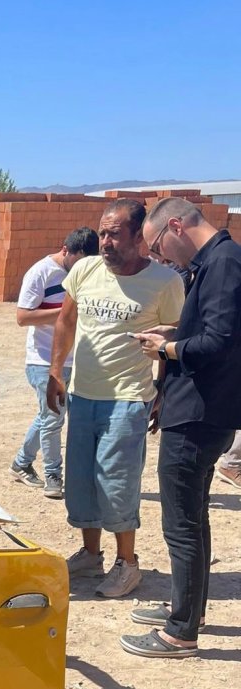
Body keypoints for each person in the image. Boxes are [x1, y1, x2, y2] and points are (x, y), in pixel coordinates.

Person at [119, 198, 241, 657]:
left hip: (199, 415)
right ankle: (191, 609)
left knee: (182, 523)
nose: (160, 257)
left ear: (175, 225)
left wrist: (167, 351)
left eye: (158, 246)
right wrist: (174, 333)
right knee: (193, 517)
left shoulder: (225, 263)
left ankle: (180, 632)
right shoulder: (219, 261)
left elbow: (220, 341)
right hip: (200, 411)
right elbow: (210, 329)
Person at [47, 199, 184, 598]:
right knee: (82, 481)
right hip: (83, 393)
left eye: (114, 234)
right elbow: (66, 320)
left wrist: (164, 391)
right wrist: (56, 372)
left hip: (128, 397)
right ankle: (92, 555)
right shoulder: (85, 269)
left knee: (117, 483)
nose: (105, 242)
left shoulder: (164, 283)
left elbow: (174, 338)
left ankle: (128, 563)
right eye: (102, 233)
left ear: (138, 237)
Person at [11, 227, 100, 499]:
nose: (81, 269)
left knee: (49, 416)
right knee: (53, 419)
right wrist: (65, 314)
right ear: (65, 250)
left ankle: (21, 463)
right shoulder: (41, 273)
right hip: (44, 361)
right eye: (77, 261)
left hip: (79, 359)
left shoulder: (88, 272)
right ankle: (53, 475)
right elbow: (23, 317)